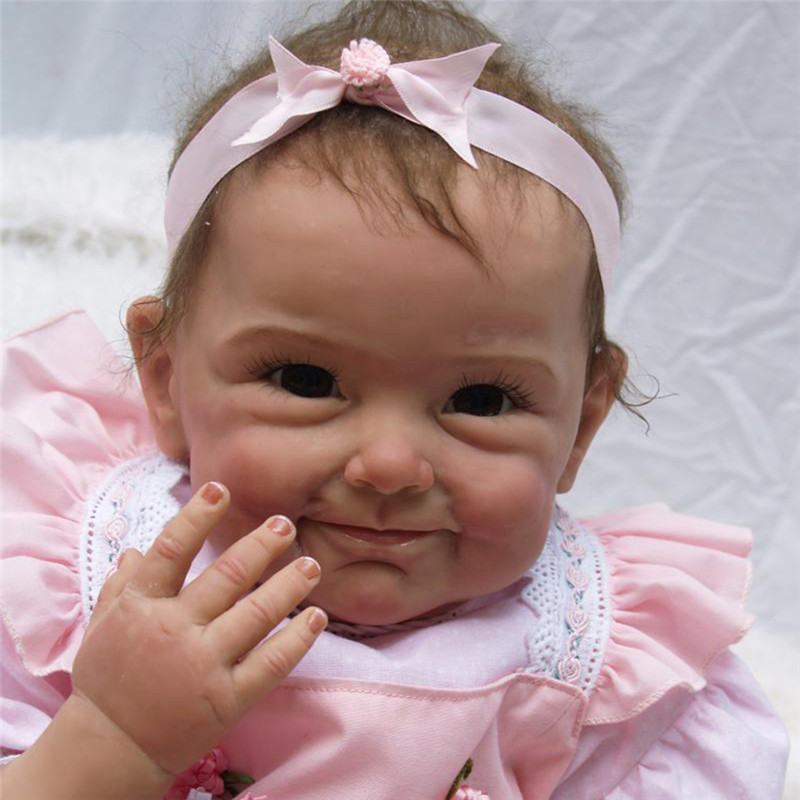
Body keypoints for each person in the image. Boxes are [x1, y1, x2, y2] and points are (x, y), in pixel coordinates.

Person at [0, 1, 789, 798]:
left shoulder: (604, 664)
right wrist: (112, 735)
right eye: (304, 381)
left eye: (481, 399)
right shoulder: (81, 586)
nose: (389, 464)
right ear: (166, 377)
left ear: (581, 424)